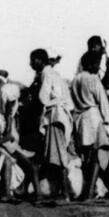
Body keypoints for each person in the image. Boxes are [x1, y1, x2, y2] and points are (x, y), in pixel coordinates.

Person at [30, 48, 74, 200]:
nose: (31, 64)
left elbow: (43, 97)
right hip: (61, 116)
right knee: (57, 153)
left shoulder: (46, 74)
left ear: (41, 60)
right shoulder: (55, 74)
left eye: (33, 60)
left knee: (58, 155)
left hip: (55, 116)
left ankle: (66, 193)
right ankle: (64, 191)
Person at [71, 50, 109, 201]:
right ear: (90, 64)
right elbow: (103, 102)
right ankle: (89, 193)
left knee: (85, 157)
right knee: (97, 156)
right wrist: (108, 120)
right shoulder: (93, 79)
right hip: (93, 118)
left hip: (80, 119)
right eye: (96, 64)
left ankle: (85, 190)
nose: (98, 67)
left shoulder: (75, 80)